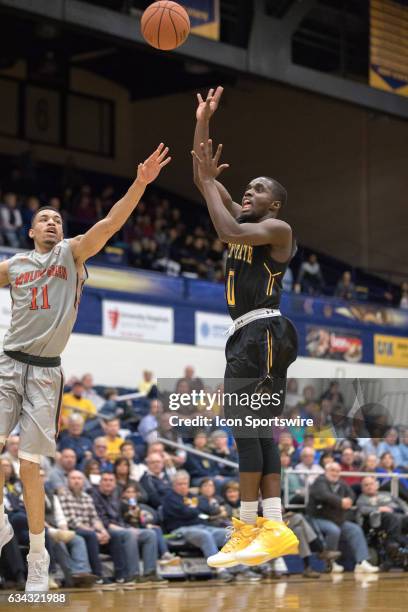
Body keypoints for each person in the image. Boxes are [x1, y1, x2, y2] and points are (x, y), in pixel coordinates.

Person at [0, 143, 171, 591]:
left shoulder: (73, 253)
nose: (53, 222)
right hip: (7, 363)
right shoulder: (14, 265)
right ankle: (1, 521)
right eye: (44, 218)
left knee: (29, 467)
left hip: (44, 372)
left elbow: (112, 222)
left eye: (58, 218)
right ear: (30, 230)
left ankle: (38, 554)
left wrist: (140, 183)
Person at [191, 86, 299, 568]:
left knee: (245, 428)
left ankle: (245, 527)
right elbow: (201, 175)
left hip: (266, 332)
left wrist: (217, 193)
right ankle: (270, 526)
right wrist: (202, 121)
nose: (249, 192)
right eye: (247, 187)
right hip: (250, 335)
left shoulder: (278, 230)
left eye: (259, 189)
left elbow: (227, 229)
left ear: (273, 205)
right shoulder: (241, 216)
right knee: (256, 431)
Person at [307, 462, 379, 573]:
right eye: (332, 470)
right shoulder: (319, 482)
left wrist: (349, 501)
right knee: (333, 530)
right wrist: (340, 502)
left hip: (337, 519)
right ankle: (330, 562)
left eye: (337, 471)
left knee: (355, 529)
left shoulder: (341, 483)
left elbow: (351, 494)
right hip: (318, 518)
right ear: (326, 471)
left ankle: (362, 562)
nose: (335, 473)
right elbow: (324, 495)